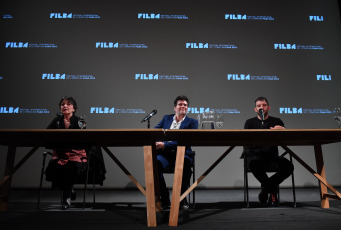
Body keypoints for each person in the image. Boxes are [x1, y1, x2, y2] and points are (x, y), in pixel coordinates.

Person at [243, 96, 294, 206]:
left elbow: (284, 139)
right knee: (253, 163)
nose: (261, 108)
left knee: (289, 166)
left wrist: (282, 131)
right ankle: (273, 191)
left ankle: (266, 189)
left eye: (264, 105)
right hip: (255, 157)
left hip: (272, 156)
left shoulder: (276, 121)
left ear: (269, 107)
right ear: (255, 109)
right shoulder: (250, 123)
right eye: (259, 106)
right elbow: (246, 141)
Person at [154, 95, 198, 210]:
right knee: (155, 164)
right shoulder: (166, 119)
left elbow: (187, 140)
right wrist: (158, 142)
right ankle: (164, 198)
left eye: (185, 105)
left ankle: (181, 198)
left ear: (187, 108)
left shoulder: (192, 122)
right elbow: (154, 131)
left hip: (182, 153)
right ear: (175, 108)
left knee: (186, 166)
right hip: (165, 155)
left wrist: (165, 144)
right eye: (180, 104)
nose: (183, 106)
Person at [45, 96, 88, 210]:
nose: (65, 106)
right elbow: (46, 134)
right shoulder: (57, 121)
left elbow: (84, 137)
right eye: (62, 104)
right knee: (52, 168)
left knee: (70, 167)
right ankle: (70, 190)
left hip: (76, 155)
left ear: (74, 108)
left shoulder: (79, 120)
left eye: (68, 104)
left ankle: (66, 198)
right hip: (60, 154)